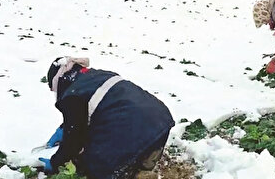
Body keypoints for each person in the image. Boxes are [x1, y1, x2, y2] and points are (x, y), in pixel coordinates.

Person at [38, 56, 175, 179]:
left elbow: (73, 143)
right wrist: (65, 128)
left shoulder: (72, 94)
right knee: (135, 159)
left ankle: (134, 167)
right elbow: (103, 106)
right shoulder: (98, 75)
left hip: (133, 128)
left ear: (59, 81)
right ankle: (143, 164)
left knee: (94, 166)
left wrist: (55, 163)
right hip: (160, 120)